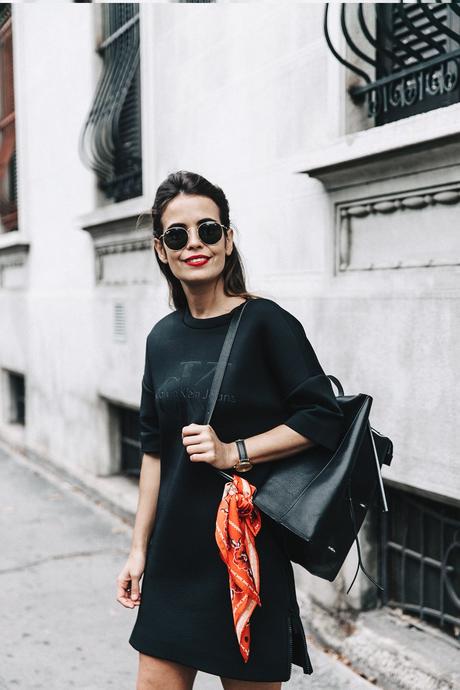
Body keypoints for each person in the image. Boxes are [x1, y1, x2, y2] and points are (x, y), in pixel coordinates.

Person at [116, 170, 345, 690]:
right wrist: (138, 550)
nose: (194, 243)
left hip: (246, 555)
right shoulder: (161, 339)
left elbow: (322, 417)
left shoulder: (267, 323)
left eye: (208, 230)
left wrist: (232, 452)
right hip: (174, 559)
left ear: (228, 239)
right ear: (161, 249)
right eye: (178, 235)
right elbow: (153, 453)